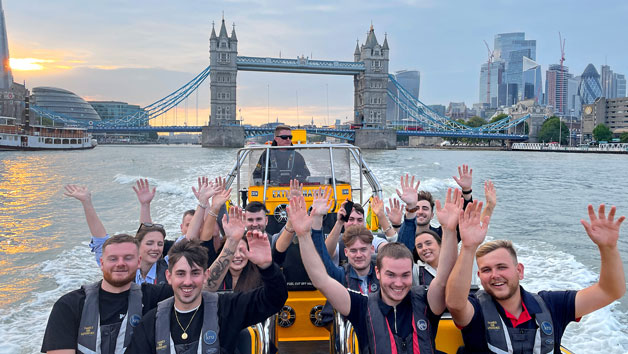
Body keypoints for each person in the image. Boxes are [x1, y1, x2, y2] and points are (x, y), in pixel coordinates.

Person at [287, 189, 462, 353]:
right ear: (377, 273)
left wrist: (450, 230)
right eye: (390, 274)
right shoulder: (362, 307)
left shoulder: (425, 301)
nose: (398, 283)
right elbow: (321, 278)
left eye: (405, 275)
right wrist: (303, 235)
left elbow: (443, 277)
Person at [446, 203, 626, 353]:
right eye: (486, 270)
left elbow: (609, 291)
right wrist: (469, 248)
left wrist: (608, 248)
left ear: (520, 271)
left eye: (502, 267)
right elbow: (455, 303)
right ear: (479, 276)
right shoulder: (476, 310)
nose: (495, 275)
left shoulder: (552, 305)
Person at [125, 233, 288, 353]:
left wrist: (266, 266)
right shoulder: (150, 322)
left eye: (195, 273)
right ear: (169, 277)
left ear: (206, 276)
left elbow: (274, 299)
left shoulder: (227, 308)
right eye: (181, 274)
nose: (187, 281)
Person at [41, 234, 174, 354]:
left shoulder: (155, 296)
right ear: (102, 263)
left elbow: (190, 284)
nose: (120, 263)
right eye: (113, 259)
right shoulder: (69, 305)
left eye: (128, 258)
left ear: (138, 262)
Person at [64, 184, 169, 284]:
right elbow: (100, 240)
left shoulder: (170, 267)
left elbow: (185, 240)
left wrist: (145, 206)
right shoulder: (122, 268)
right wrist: (87, 203)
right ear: (137, 245)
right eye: (150, 243)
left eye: (160, 244)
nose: (156, 248)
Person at [413, 180, 497, 286]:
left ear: (441, 245)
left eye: (429, 243)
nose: (425, 248)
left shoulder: (462, 261)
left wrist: (489, 206)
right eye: (419, 246)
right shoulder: (416, 270)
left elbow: (474, 229)